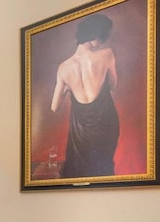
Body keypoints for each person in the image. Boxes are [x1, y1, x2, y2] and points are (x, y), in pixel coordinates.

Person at [50, 13, 119, 178]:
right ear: (95, 35)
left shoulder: (64, 68)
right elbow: (113, 85)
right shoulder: (106, 54)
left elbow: (54, 107)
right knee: (103, 170)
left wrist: (69, 88)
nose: (103, 42)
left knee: (81, 174)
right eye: (103, 37)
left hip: (80, 131)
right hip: (106, 122)